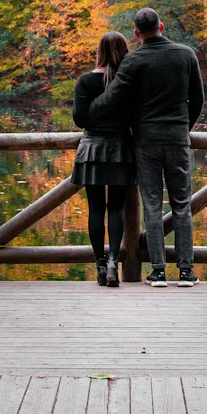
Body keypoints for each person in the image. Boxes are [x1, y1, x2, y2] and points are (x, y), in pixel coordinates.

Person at [88, 7, 204, 288]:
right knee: (181, 205)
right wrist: (183, 128)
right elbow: (197, 99)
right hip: (177, 137)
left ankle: (158, 271)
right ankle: (186, 272)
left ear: (137, 33)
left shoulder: (134, 60)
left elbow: (113, 98)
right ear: (161, 26)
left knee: (152, 205)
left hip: (145, 140)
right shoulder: (186, 54)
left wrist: (88, 111)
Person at [71, 31, 135, 288]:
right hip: (120, 148)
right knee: (116, 208)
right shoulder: (128, 82)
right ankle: (113, 264)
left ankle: (100, 263)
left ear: (99, 51)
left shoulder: (86, 81)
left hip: (93, 150)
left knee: (96, 208)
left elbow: (79, 119)